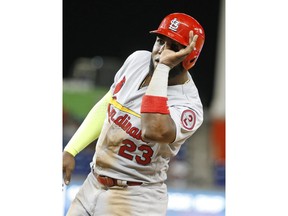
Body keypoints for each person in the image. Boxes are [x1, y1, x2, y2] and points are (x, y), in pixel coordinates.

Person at [63, 12, 205, 216]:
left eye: (174, 47)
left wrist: (164, 67)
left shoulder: (188, 105)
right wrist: (71, 150)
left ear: (190, 57)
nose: (161, 52)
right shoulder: (137, 60)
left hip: (136, 197)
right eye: (160, 41)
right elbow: (108, 105)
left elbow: (153, 128)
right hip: (93, 182)